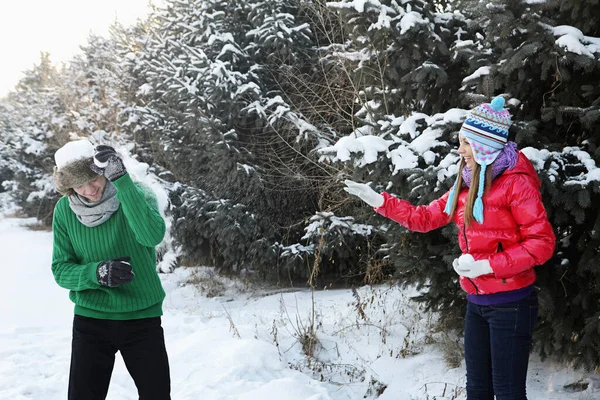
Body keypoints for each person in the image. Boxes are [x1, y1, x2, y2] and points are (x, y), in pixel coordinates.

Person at [344, 96, 555, 400]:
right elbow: (425, 217)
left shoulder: (515, 184)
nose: (459, 150)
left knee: (508, 392)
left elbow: (542, 243)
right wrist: (379, 201)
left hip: (512, 304)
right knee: (477, 391)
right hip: (477, 303)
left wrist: (488, 266)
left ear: (485, 145)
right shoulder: (466, 185)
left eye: (466, 143)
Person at [51, 139, 171, 400]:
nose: (88, 189)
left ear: (102, 171)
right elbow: (61, 269)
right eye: (78, 184)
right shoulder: (64, 211)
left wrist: (123, 182)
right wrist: (96, 273)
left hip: (142, 319)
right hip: (91, 321)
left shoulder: (137, 193)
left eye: (92, 179)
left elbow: (152, 236)